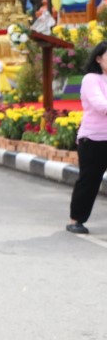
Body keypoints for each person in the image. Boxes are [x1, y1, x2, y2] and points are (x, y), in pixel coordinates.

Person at [66, 42, 107, 235]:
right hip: (93, 140)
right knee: (89, 181)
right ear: (98, 59)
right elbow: (100, 105)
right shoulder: (91, 79)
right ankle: (76, 220)